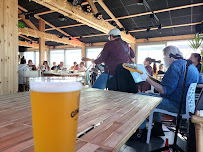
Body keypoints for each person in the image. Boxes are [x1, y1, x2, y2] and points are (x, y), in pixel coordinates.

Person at [133, 46, 199, 140]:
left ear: (169, 56)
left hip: (176, 105)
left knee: (139, 97)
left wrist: (146, 78)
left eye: (164, 57)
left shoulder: (175, 66)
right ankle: (157, 127)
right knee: (150, 95)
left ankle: (140, 132)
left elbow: (164, 91)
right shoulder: (191, 66)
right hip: (186, 105)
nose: (164, 59)